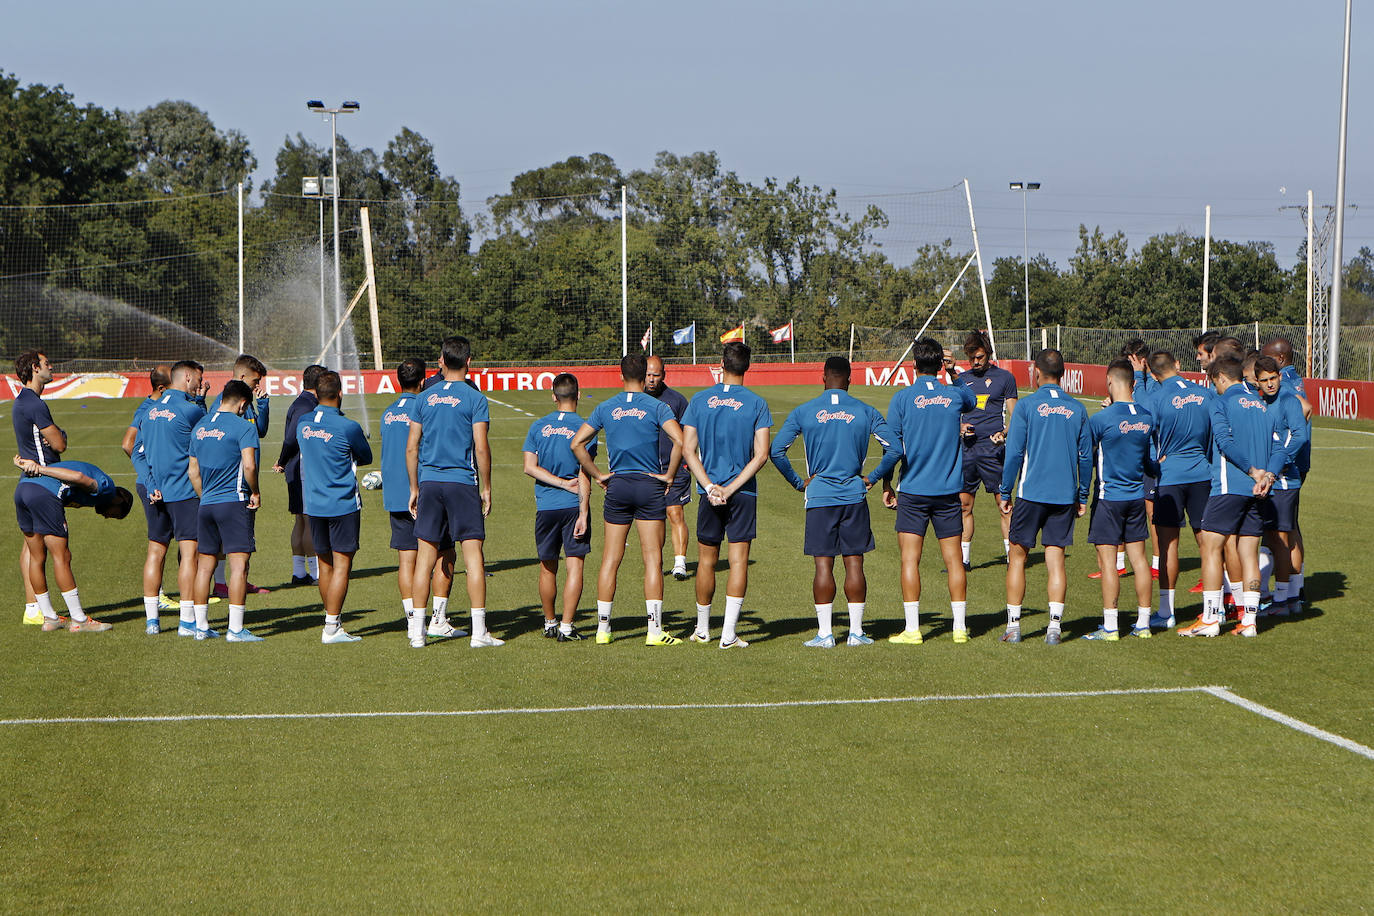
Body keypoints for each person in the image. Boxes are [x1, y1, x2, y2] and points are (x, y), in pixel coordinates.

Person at [771, 356, 900, 648]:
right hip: (854, 495)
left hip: (819, 498)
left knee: (823, 566)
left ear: (823, 377)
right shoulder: (865, 411)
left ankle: (826, 634)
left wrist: (797, 481)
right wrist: (871, 478)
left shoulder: (805, 411)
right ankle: (856, 633)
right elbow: (894, 449)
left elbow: (777, 451)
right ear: (850, 380)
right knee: (855, 562)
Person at [571, 353, 692, 646]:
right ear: (645, 375)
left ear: (620, 375)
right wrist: (670, 475)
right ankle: (654, 631)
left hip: (619, 485)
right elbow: (681, 440)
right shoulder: (658, 406)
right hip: (650, 485)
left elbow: (576, 443)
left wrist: (598, 475)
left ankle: (603, 629)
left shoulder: (605, 406)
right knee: (652, 558)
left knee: (610, 559)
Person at [1178, 356, 1287, 638]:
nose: (1214, 388)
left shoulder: (1222, 402)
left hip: (1230, 487)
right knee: (1249, 552)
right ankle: (1249, 622)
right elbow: (1279, 450)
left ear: (1221, 378)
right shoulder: (1262, 406)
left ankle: (1211, 619)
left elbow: (1224, 443)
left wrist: (1252, 471)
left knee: (1211, 548)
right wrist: (1269, 476)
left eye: (1214, 382)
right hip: (1260, 491)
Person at [881, 337, 977, 644]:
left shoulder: (902, 398)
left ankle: (913, 629)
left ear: (913, 365)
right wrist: (954, 373)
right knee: (954, 561)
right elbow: (971, 399)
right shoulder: (953, 395)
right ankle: (959, 629)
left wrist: (885, 482)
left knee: (910, 560)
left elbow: (892, 447)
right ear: (939, 364)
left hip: (913, 489)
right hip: (948, 490)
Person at [406, 337, 500, 648]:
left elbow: (411, 447)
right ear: (469, 362)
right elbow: (482, 448)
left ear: (442, 361)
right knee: (474, 558)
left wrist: (414, 487)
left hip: (430, 482)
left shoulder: (424, 397)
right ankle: (478, 632)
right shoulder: (476, 398)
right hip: (462, 482)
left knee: (424, 560)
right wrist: (486, 487)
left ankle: (418, 633)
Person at [680, 341, 772, 648]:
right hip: (742, 492)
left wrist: (709, 487)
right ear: (748, 367)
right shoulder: (757, 403)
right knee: (738, 562)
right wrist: (731, 489)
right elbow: (761, 455)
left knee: (706, 562)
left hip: (709, 493)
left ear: (721, 363)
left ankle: (703, 630)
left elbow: (687, 450)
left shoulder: (700, 399)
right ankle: (729, 634)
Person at [997, 349, 1091, 646]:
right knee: (1056, 560)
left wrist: (1004, 490)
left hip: (1031, 493)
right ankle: (1054, 628)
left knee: (1017, 557)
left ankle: (1014, 627)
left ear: (1036, 372)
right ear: (1063, 374)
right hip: (1064, 495)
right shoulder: (1077, 409)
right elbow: (1086, 457)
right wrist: (1083, 493)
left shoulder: (1026, 406)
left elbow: (1013, 453)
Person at [381, 358, 462, 642]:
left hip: (395, 493)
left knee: (407, 559)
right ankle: (437, 619)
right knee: (444, 553)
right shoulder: (426, 407)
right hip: (426, 491)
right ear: (423, 381)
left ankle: (412, 620)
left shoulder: (388, 412)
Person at [1140, 350, 1215, 629]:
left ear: (1154, 374)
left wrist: (1152, 466)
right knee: (1207, 544)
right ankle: (1212, 609)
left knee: (1168, 544)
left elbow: (1147, 438)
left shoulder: (1156, 397)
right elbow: (1212, 434)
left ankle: (1166, 612)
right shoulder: (1204, 393)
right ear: (1178, 365)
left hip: (1169, 477)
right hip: (1201, 475)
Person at [13, 455, 132, 632]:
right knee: (62, 557)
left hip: (22, 491)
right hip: (43, 493)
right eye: (114, 514)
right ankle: (79, 620)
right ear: (119, 501)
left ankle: (50, 618)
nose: (107, 516)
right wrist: (39, 468)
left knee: (36, 557)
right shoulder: (108, 489)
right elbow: (78, 477)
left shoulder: (89, 499)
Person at [1083, 360, 1156, 640]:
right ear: (1133, 384)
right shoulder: (1147, 417)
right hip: (1137, 497)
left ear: (1109, 382)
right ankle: (1144, 623)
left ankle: (1111, 626)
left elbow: (1086, 455)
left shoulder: (1101, 419)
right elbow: (1150, 462)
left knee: (1109, 562)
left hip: (1109, 498)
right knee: (1140, 560)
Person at [298, 370, 373, 643]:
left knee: (325, 564)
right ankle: (331, 627)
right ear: (340, 394)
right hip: (342, 503)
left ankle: (332, 621)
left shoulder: (303, 423)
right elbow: (365, 456)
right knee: (342, 565)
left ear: (316, 394)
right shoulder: (348, 426)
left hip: (314, 504)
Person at [187, 380, 262, 641]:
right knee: (239, 566)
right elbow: (250, 466)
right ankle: (236, 629)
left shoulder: (200, 426)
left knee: (204, 567)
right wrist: (255, 491)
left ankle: (201, 626)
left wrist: (205, 496)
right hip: (233, 501)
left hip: (206, 504)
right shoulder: (243, 427)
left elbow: (193, 471)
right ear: (243, 403)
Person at [523, 373, 594, 642]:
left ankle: (549, 622)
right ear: (578, 394)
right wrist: (583, 511)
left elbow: (529, 468)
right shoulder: (585, 428)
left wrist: (557, 484)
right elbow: (584, 473)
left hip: (546, 508)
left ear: (553, 396)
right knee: (575, 567)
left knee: (547, 567)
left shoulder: (538, 426)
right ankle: (567, 627)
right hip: (573, 506)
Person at [139, 360, 208, 637]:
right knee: (189, 554)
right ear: (188, 378)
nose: (200, 385)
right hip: (184, 492)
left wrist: (150, 483)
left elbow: (136, 452)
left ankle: (152, 621)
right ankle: (186, 620)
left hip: (155, 492)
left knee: (155, 552)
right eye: (199, 380)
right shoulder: (189, 409)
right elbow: (208, 438)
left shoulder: (149, 410)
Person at [955, 330, 1018, 570]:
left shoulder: (1005, 378)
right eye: (971, 358)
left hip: (994, 451)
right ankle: (964, 560)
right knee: (964, 505)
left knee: (1004, 505)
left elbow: (1017, 416)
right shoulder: (962, 380)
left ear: (988, 354)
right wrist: (960, 426)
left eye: (980, 357)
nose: (976, 362)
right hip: (968, 450)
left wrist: (1004, 433)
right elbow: (952, 413)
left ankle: (1012, 556)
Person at [209, 354, 271, 598]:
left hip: (244, 480)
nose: (258, 386)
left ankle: (238, 580)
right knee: (231, 538)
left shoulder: (248, 403)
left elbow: (260, 431)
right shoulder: (224, 404)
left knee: (244, 536)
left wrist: (264, 405)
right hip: (232, 482)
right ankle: (223, 583)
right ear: (242, 376)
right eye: (256, 381)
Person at [13, 350, 67, 626]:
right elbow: (59, 444)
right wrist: (61, 434)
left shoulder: (22, 401)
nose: (51, 366)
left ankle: (32, 607)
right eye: (47, 363)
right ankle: (71, 613)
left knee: (31, 548)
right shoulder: (34, 403)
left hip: (27, 479)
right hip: (42, 482)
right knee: (56, 552)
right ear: (35, 368)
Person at [1253, 356, 1308, 617]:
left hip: (1285, 480)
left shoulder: (1288, 401)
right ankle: (1287, 597)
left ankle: (1283, 600)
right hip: (1267, 480)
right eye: (1264, 380)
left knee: (1283, 540)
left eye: (1273, 378)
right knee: (1274, 539)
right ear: (1257, 382)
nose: (1270, 384)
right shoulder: (1258, 401)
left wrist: (1280, 462)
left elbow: (1299, 434)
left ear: (1279, 376)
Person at [273, 363, 326, 586]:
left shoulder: (303, 402)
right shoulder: (306, 406)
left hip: (296, 468)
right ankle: (315, 573)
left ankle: (299, 572)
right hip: (301, 469)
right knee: (307, 519)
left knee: (300, 521)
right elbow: (292, 438)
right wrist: (283, 460)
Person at [645, 355, 693, 580]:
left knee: (675, 512)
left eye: (656, 375)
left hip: (675, 469)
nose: (652, 380)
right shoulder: (636, 400)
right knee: (654, 519)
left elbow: (689, 434)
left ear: (664, 375)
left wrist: (688, 461)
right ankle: (657, 562)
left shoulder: (677, 400)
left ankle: (680, 563)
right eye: (648, 375)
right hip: (646, 470)